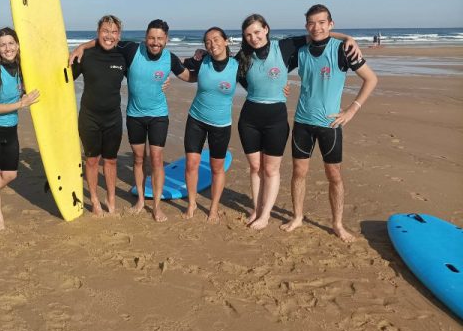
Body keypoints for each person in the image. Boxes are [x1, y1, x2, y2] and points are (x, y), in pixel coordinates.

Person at [236, 14, 360, 230]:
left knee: (270, 169)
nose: (253, 38)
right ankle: (256, 209)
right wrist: (200, 56)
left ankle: (265, 216)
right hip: (250, 115)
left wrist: (348, 38)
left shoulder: (284, 46)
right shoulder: (243, 56)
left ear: (266, 29)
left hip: (276, 117)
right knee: (255, 167)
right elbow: (233, 72)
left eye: (257, 32)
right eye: (248, 35)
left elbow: (318, 35)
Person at [281, 4, 377, 242]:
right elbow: (273, 65)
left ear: (331, 24)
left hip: (330, 124)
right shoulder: (300, 51)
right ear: (306, 26)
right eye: (312, 23)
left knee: (334, 176)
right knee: (298, 172)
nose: (317, 27)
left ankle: (337, 224)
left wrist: (352, 110)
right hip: (302, 121)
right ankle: (298, 217)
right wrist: (280, 83)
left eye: (322, 22)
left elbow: (371, 79)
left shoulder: (343, 50)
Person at [115, 19, 190, 221]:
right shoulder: (132, 50)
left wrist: (205, 59)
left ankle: (156, 206)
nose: (155, 42)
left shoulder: (170, 59)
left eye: (159, 38)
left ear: (166, 39)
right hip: (134, 115)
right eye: (151, 38)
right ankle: (140, 199)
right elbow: (106, 41)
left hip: (158, 116)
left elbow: (189, 76)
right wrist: (80, 49)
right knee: (138, 159)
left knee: (156, 160)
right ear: (145, 38)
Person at [69, 15, 137, 216]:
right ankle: (95, 199)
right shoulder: (86, 56)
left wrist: (163, 81)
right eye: (105, 31)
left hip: (113, 118)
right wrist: (79, 48)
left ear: (119, 35)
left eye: (114, 32)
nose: (109, 36)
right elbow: (64, 78)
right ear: (98, 32)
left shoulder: (123, 56)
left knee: (111, 160)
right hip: (89, 117)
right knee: (91, 160)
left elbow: (145, 69)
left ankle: (111, 199)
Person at [0, 27, 39, 231]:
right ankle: (0, 219)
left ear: (17, 45)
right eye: (3, 44)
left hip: (10, 129)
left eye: (11, 43)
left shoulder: (21, 69)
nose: (8, 48)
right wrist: (21, 104)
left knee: (10, 175)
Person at [182, 27, 237, 223]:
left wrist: (282, 86)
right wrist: (161, 81)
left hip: (221, 125)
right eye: (207, 41)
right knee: (191, 164)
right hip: (196, 119)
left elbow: (255, 83)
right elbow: (177, 67)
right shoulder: (201, 61)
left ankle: (213, 208)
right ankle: (192, 203)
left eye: (216, 39)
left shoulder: (237, 66)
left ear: (226, 41)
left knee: (216, 168)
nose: (212, 44)